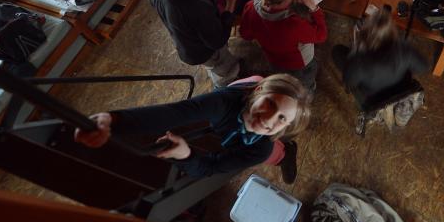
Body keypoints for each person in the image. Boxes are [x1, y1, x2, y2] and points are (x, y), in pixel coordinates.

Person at [74, 73, 311, 183]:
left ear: (287, 126)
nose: (269, 119)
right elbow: (173, 113)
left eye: (281, 119)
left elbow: (214, 167)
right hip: (239, 100)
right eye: (270, 104)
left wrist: (187, 155)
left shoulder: (260, 148)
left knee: (270, 152)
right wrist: (113, 120)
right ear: (258, 92)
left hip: (253, 137)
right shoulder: (221, 103)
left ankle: (285, 153)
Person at [240, 0, 327, 93]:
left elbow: (245, 35)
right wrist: (314, 8)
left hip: (273, 59)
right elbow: (321, 35)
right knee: (305, 85)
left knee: (282, 76)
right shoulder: (294, 24)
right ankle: (307, 95)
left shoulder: (250, 7)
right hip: (299, 63)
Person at [331, 8, 428, 111]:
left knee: (337, 51)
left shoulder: (359, 62)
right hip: (400, 93)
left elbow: (349, 80)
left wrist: (355, 50)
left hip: (375, 102)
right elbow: (423, 67)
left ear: (365, 35)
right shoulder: (404, 49)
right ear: (392, 31)